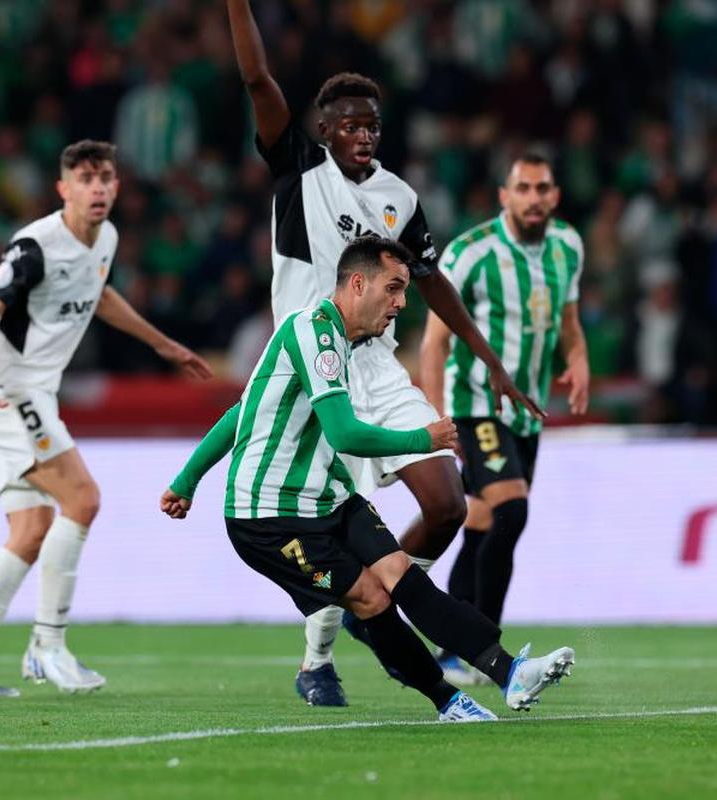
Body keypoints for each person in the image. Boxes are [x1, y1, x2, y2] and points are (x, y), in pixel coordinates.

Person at [226, 0, 542, 707]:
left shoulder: (400, 198)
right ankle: (321, 655)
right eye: (348, 123)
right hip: (315, 362)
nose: (362, 133)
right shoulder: (299, 169)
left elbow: (431, 281)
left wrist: (488, 358)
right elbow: (256, 79)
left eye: (371, 122)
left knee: (448, 503)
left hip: (378, 359)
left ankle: (387, 603)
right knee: (341, 523)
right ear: (323, 130)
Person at [160, 238, 574, 721]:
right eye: (394, 288)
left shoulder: (342, 341)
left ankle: (509, 672)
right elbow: (343, 432)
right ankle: (447, 700)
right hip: (271, 516)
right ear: (358, 284)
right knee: (371, 596)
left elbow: (242, 412)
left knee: (400, 572)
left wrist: (186, 480)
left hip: (328, 496)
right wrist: (424, 439)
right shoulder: (315, 334)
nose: (402, 302)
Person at [0, 140, 212, 697]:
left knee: (30, 531)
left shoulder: (105, 238)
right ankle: (47, 646)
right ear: (64, 189)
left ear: (117, 185)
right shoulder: (36, 247)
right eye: (85, 178)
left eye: (106, 177)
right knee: (83, 499)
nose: (98, 187)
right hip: (9, 391)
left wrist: (163, 345)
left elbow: (99, 294)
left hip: (35, 392)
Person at [420, 155, 589, 685]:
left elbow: (567, 322)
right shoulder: (471, 252)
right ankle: (485, 649)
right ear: (504, 195)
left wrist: (578, 358)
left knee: (483, 525)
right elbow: (433, 341)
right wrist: (436, 419)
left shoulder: (568, 247)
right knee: (512, 511)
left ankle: (451, 651)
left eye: (543, 187)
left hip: (528, 414)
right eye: (524, 187)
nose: (534, 197)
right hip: (475, 406)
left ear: (555, 195)